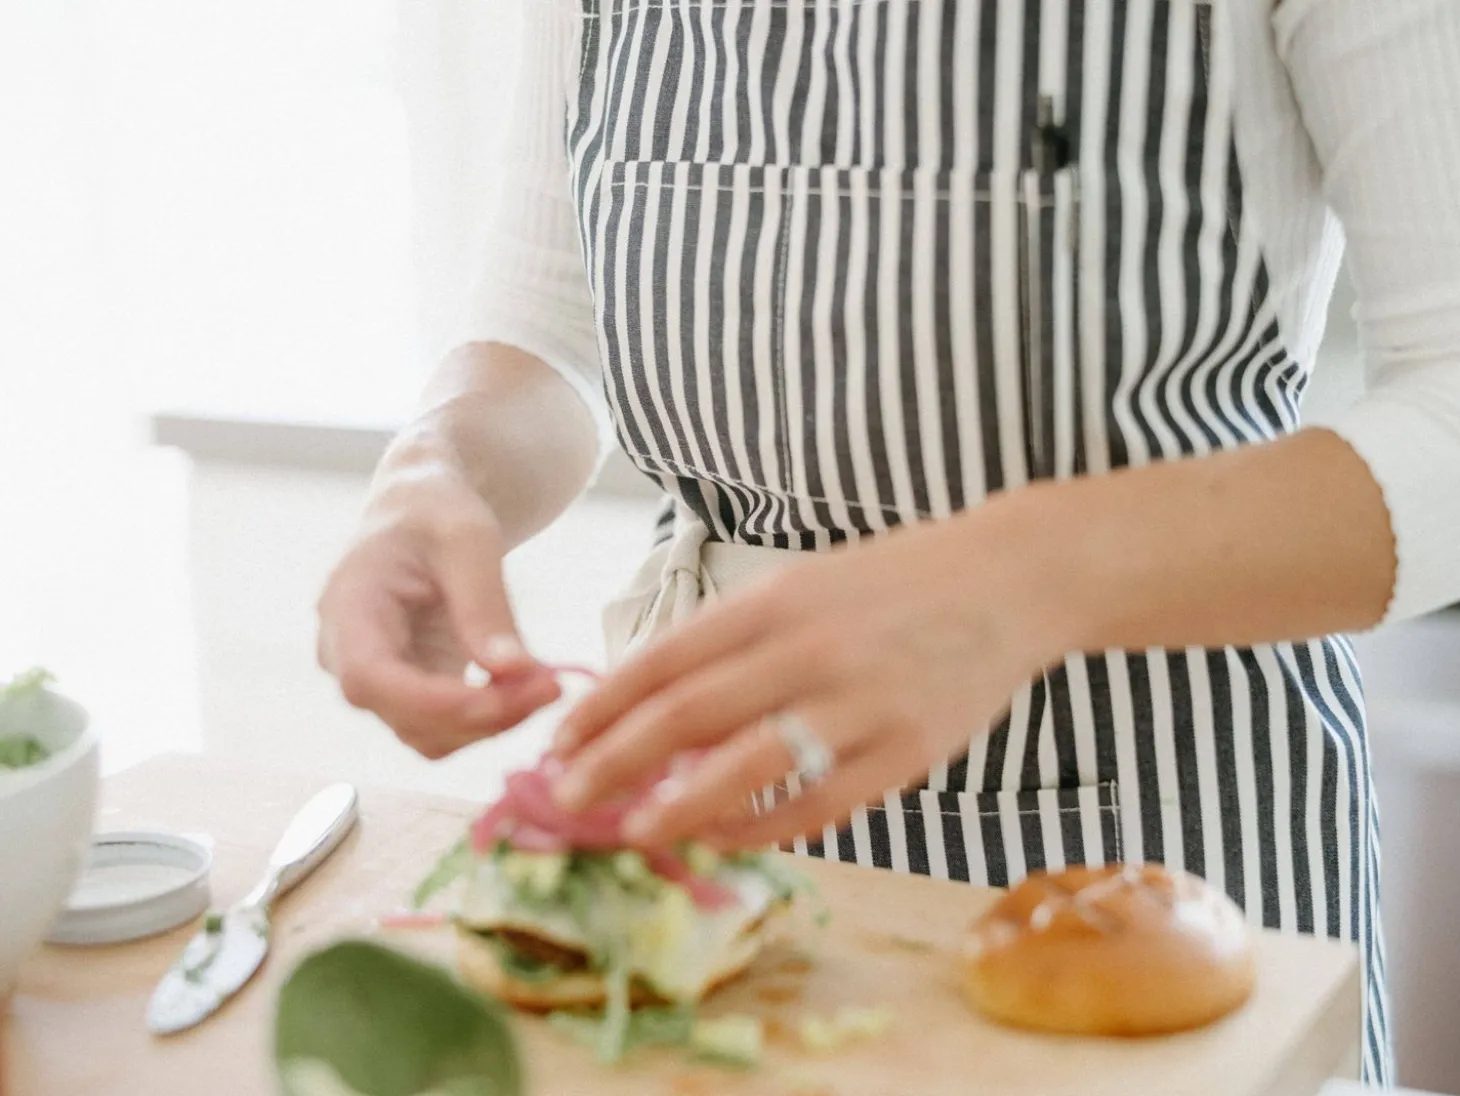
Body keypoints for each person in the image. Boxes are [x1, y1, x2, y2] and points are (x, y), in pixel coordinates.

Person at [317, 0, 1460, 1082]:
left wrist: (1026, 575)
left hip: (1152, 850)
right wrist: (437, 471)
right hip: (709, 834)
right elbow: (542, 320)